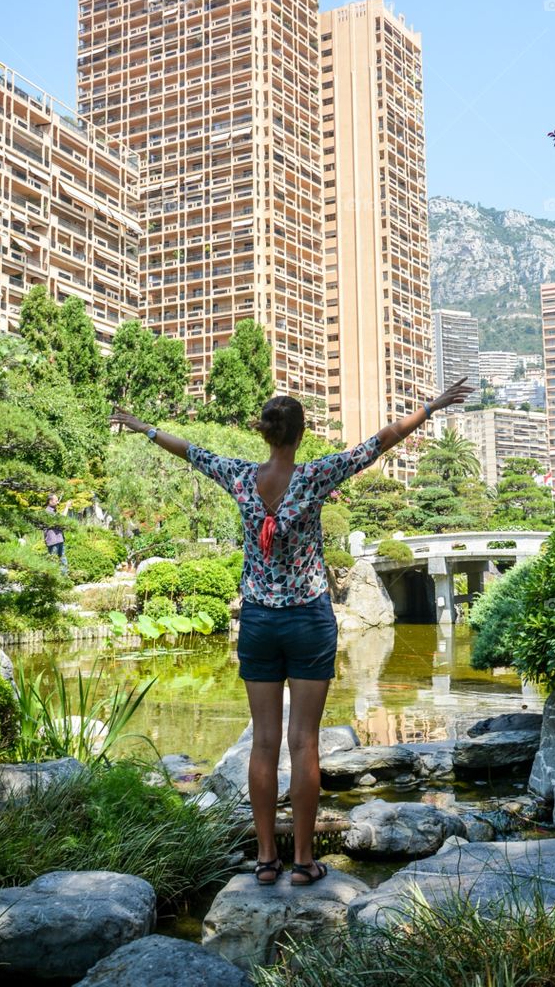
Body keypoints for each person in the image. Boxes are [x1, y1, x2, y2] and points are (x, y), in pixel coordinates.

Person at [111, 376, 472, 886]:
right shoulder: (316, 477)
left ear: (264, 434)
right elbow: (383, 440)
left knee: (263, 743)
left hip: (258, 621)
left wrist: (144, 428)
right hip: (308, 619)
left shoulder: (239, 476)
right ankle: (303, 861)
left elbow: (188, 451)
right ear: (300, 436)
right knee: (304, 744)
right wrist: (432, 406)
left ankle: (265, 860)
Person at [43, 493, 68, 578]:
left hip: (59, 539)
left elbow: (62, 519)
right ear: (50, 501)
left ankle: (64, 580)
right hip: (53, 540)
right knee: (53, 561)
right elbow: (61, 521)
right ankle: (53, 580)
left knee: (63, 560)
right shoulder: (47, 512)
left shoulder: (54, 512)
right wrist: (67, 507)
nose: (57, 502)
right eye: (56, 500)